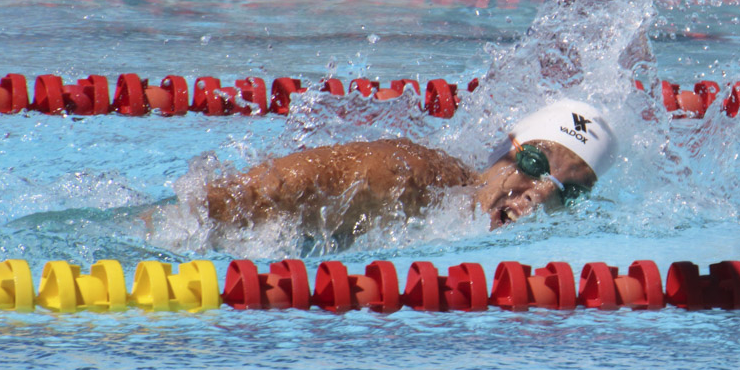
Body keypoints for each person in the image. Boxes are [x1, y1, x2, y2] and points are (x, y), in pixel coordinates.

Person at [204, 98, 617, 239]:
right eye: (534, 164)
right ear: (501, 152)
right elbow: (249, 194)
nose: (540, 192)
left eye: (569, 191)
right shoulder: (406, 176)